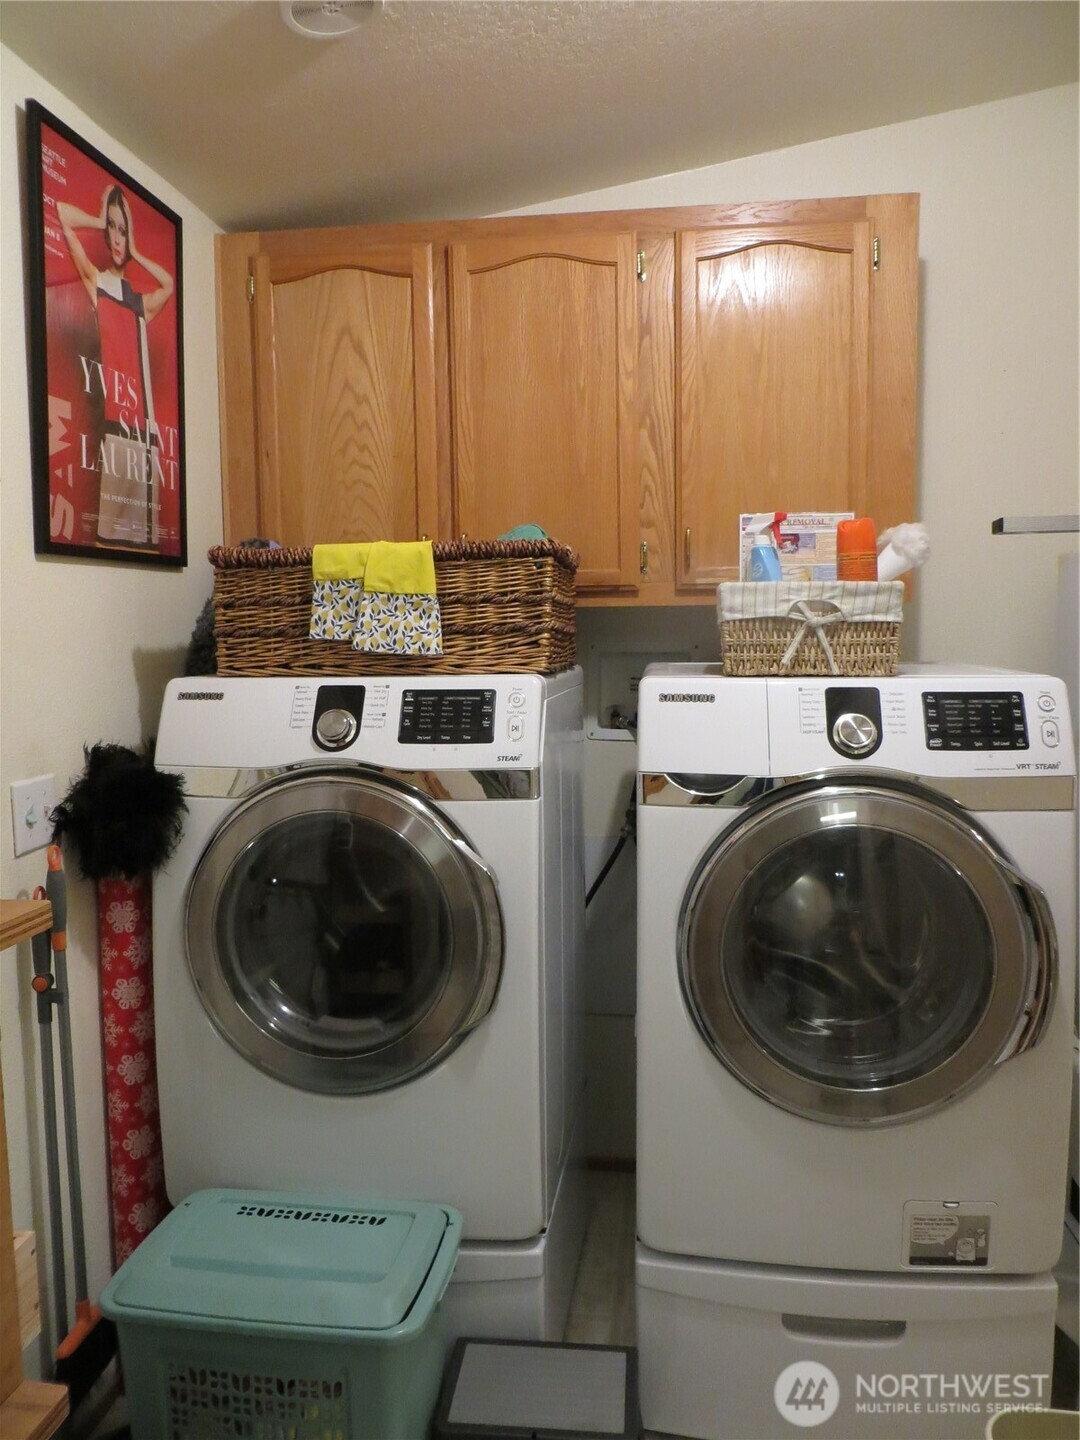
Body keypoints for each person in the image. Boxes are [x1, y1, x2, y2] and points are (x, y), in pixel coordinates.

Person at [57, 184, 174, 549]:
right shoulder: (98, 283)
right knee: (109, 539)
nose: (117, 238)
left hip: (145, 434)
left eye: (123, 229)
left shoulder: (140, 302)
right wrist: (99, 216)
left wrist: (136, 251)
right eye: (112, 228)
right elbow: (61, 214)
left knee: (145, 545)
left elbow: (168, 284)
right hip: (114, 431)